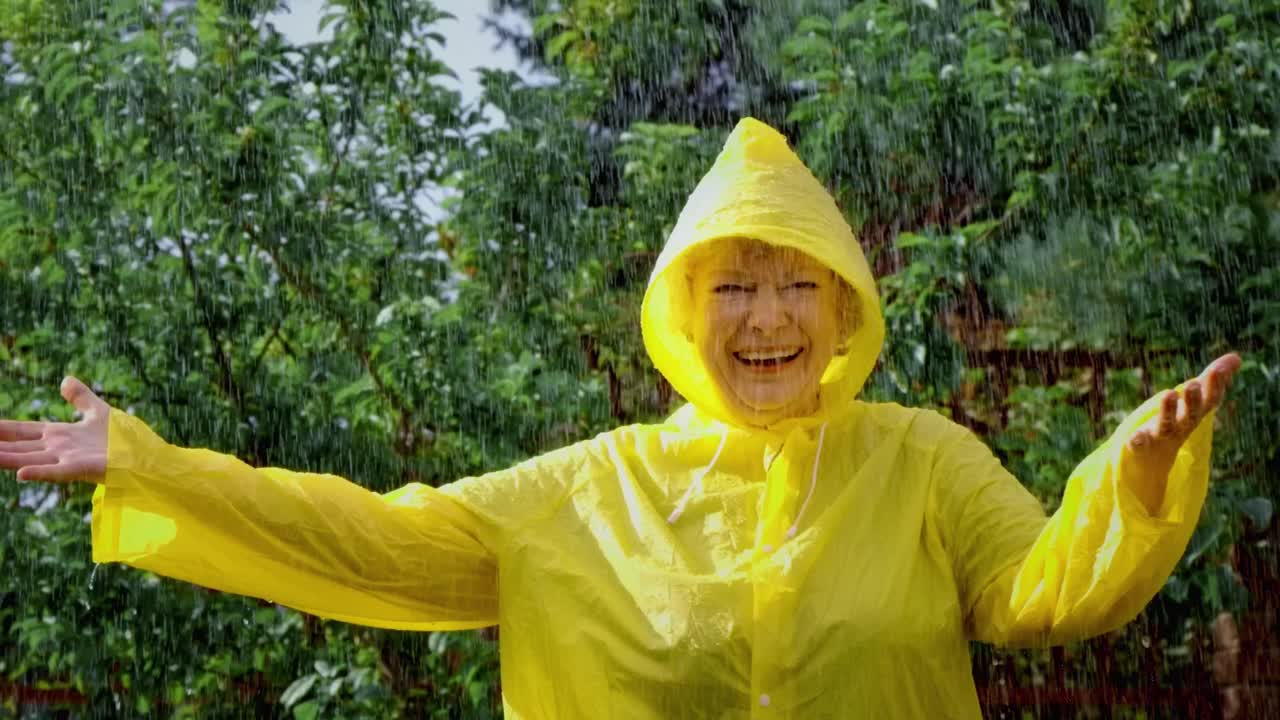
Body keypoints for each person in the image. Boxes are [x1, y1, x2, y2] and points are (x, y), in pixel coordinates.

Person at [0, 117, 1242, 718]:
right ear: (679, 311)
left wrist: (1127, 481)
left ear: (844, 303)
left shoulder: (920, 462)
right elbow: (365, 537)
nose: (767, 316)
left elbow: (1042, 594)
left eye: (796, 281)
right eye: (733, 285)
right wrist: (156, 466)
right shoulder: (581, 491)